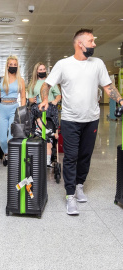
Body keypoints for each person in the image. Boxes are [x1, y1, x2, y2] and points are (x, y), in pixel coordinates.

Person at [38, 28, 123, 215]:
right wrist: (45, 99)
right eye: (91, 41)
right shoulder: (63, 64)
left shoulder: (98, 64)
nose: (94, 44)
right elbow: (46, 84)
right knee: (70, 157)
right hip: (70, 120)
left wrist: (121, 100)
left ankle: (79, 185)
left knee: (85, 156)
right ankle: (70, 196)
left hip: (92, 119)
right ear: (80, 44)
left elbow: (108, 87)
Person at [0, 55, 26, 166]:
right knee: (2, 139)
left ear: (17, 67)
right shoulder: (0, 80)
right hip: (2, 108)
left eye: (15, 65)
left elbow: (22, 97)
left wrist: (22, 111)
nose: (13, 66)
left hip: (14, 108)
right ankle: (6, 153)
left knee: (11, 136)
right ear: (7, 65)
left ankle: (11, 155)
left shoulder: (20, 80)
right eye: (11, 64)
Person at [28, 62, 61, 166]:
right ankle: (43, 128)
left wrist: (55, 101)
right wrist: (31, 99)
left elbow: (59, 95)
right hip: (37, 106)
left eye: (43, 69)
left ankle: (50, 131)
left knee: (49, 111)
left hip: (49, 107)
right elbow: (29, 98)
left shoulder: (50, 82)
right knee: (37, 110)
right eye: (40, 70)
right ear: (36, 71)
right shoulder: (32, 84)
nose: (42, 71)